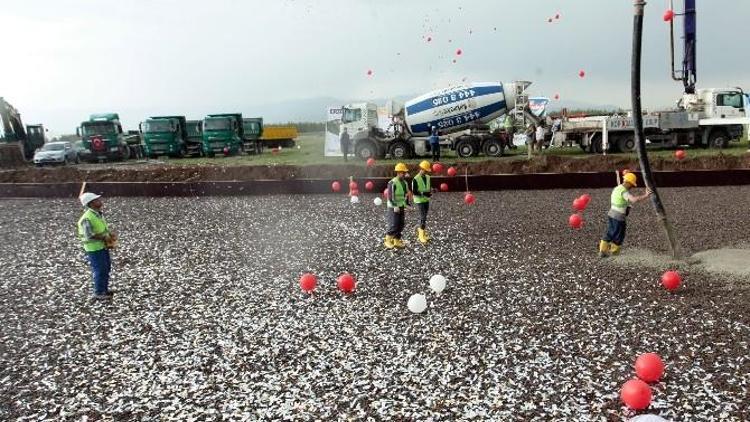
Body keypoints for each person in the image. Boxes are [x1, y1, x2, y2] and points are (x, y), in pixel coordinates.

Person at [599, 172, 652, 257]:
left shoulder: (618, 188)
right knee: (615, 234)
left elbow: (622, 198)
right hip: (618, 217)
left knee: (615, 233)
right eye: (631, 185)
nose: (632, 187)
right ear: (627, 182)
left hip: (613, 214)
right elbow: (634, 200)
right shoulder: (624, 192)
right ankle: (607, 251)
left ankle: (609, 251)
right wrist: (646, 195)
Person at [77, 192, 117, 300]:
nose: (100, 201)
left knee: (106, 268)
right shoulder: (87, 218)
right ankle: (99, 292)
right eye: (96, 200)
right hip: (94, 249)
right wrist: (105, 237)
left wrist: (109, 235)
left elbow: (100, 228)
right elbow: (89, 235)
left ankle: (104, 289)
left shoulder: (98, 214)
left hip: (102, 246)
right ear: (91, 203)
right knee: (100, 269)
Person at [384, 162, 412, 249]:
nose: (404, 174)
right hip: (393, 207)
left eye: (404, 172)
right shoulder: (392, 183)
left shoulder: (405, 183)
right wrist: (395, 205)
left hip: (401, 205)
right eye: (403, 172)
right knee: (394, 224)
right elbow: (390, 196)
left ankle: (397, 240)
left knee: (401, 224)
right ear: (399, 172)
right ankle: (388, 240)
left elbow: (406, 194)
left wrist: (407, 204)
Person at [412, 160, 433, 244]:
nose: (426, 172)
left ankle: (422, 231)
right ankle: (421, 235)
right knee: (423, 216)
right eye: (425, 170)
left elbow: (429, 188)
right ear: (421, 168)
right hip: (419, 200)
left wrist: (432, 191)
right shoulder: (415, 179)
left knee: (424, 216)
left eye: (427, 170)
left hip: (426, 200)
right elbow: (414, 192)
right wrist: (424, 193)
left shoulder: (428, 177)